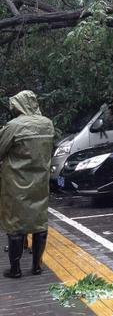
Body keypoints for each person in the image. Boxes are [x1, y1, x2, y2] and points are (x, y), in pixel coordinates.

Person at [0, 91, 54, 278]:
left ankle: (15, 269)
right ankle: (37, 266)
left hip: (16, 182)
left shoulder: (14, 126)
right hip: (40, 182)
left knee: (16, 224)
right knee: (39, 223)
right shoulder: (47, 124)